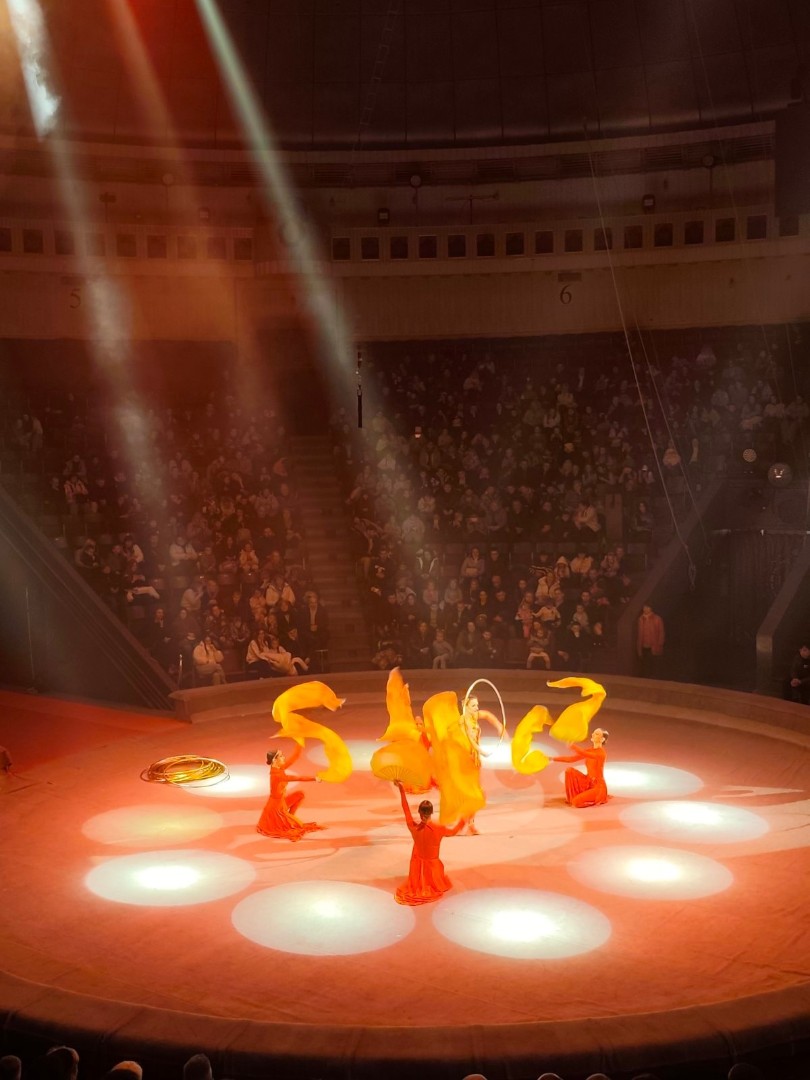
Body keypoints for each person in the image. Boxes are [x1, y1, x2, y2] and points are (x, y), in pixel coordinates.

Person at [393, 780, 464, 906]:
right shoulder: (439, 828)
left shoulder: (413, 827)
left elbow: (405, 808)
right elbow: (453, 832)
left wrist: (401, 789)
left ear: (419, 812)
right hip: (433, 867)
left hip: (418, 867)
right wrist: (463, 820)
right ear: (431, 812)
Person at [256, 747, 324, 840]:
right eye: (281, 756)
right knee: (298, 826)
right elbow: (298, 778)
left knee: (300, 795)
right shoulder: (277, 775)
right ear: (275, 760)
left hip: (281, 803)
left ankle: (290, 817)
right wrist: (315, 778)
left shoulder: (278, 768)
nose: (284, 757)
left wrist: (300, 745)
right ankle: (289, 818)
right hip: (276, 809)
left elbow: (294, 758)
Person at [460, 693, 504, 834]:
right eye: (473, 705)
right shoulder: (462, 722)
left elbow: (487, 715)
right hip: (465, 760)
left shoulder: (474, 716)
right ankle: (467, 824)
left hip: (474, 760)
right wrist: (482, 751)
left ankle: (470, 823)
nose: (477, 708)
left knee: (475, 793)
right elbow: (469, 740)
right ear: (465, 706)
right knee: (473, 794)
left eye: (477, 705)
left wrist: (499, 726)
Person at [552, 727, 610, 807]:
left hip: (598, 787)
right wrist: (552, 759)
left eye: (596, 734)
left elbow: (583, 753)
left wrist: (572, 746)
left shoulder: (601, 753)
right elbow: (571, 759)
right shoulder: (590, 750)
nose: (593, 734)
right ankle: (580, 796)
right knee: (569, 771)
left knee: (576, 802)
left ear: (602, 739)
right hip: (588, 782)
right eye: (593, 733)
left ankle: (592, 799)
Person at [637, 603, 665, 677]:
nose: (645, 609)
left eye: (647, 607)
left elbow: (661, 633)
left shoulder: (657, 619)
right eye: (644, 607)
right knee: (645, 666)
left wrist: (659, 644)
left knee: (654, 666)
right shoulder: (641, 619)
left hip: (654, 646)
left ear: (651, 608)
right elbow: (639, 634)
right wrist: (639, 647)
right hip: (644, 646)